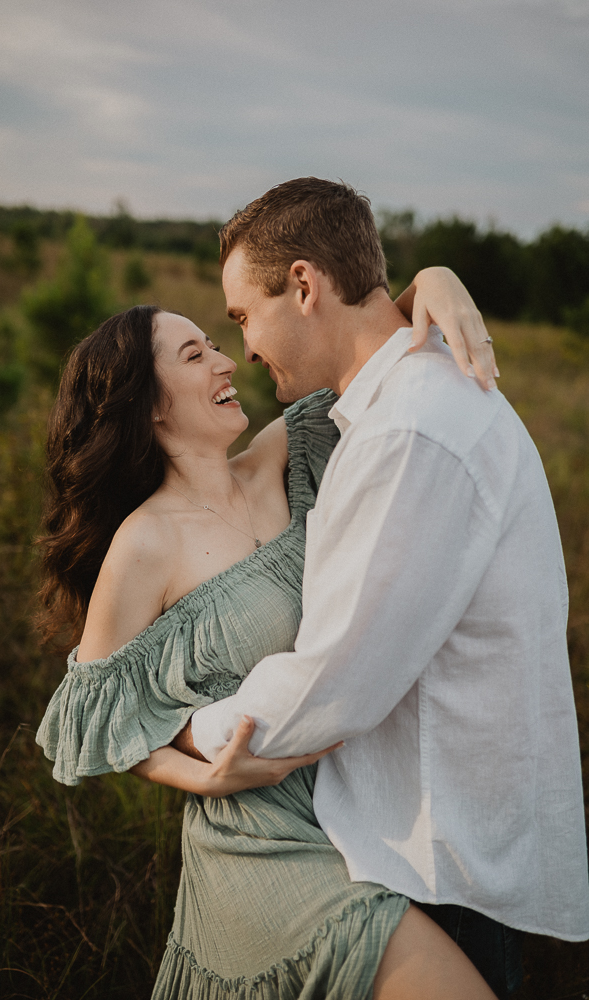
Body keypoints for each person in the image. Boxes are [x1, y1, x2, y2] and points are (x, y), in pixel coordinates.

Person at [179, 177, 589, 997]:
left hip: (436, 857)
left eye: (241, 318)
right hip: (424, 835)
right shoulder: (401, 402)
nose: (246, 349)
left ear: (302, 284)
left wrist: (181, 731)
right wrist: (427, 278)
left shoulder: (412, 430)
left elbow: (334, 681)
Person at [36, 276, 501, 998]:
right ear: (149, 405)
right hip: (256, 837)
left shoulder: (287, 452)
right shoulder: (145, 544)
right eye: (194, 356)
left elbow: (363, 332)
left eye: (218, 344)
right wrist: (202, 775)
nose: (227, 363)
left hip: (359, 804)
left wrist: (432, 282)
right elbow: (93, 720)